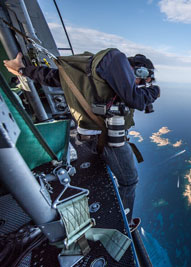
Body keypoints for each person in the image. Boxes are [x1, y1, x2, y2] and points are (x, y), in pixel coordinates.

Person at [3, 48, 160, 223]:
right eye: (141, 77)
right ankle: (123, 222)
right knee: (130, 181)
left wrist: (23, 70)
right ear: (138, 69)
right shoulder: (116, 58)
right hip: (105, 139)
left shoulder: (91, 69)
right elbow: (136, 100)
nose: (137, 82)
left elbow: (51, 77)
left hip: (86, 137)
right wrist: (154, 91)